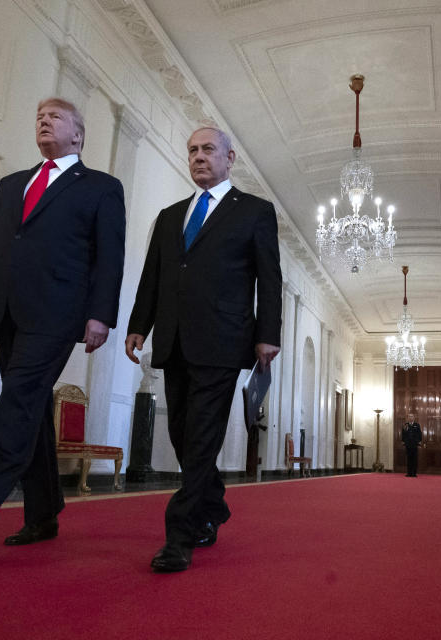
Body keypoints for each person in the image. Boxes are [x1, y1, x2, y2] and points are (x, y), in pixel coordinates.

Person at [0, 97, 126, 564]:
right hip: (6, 311)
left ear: (77, 134)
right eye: (38, 116)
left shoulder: (100, 187)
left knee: (16, 403)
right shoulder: (12, 184)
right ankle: (44, 512)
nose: (44, 121)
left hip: (58, 315)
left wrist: (101, 315)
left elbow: (109, 257)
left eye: (55, 117)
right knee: (29, 408)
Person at [125, 126, 282, 572]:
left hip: (223, 340)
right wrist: (140, 325)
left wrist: (267, 332)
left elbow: (269, 278)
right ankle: (213, 504)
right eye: (192, 150)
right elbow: (152, 276)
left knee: (201, 439)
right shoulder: (171, 215)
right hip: (172, 340)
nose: (198, 156)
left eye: (208, 149)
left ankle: (180, 535)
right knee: (181, 434)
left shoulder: (254, 211)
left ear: (230, 157)